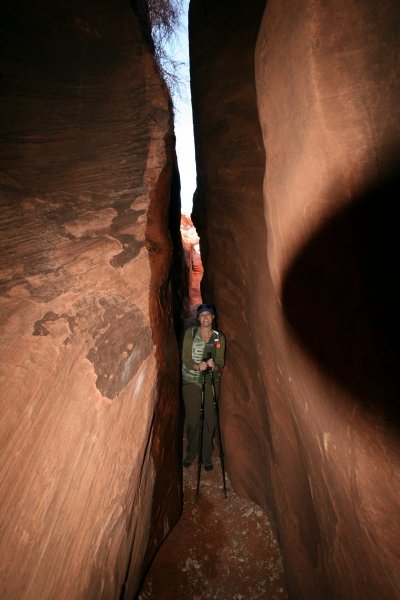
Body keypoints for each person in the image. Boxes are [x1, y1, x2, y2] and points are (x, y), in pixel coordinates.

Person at [181, 303, 226, 471]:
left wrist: (214, 366)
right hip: (192, 381)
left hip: (211, 382)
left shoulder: (218, 337)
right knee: (193, 419)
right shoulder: (190, 334)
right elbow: (185, 357)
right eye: (202, 315)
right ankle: (192, 451)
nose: (205, 318)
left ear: (213, 317)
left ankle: (206, 455)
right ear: (198, 318)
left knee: (210, 419)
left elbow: (221, 363)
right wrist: (196, 366)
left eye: (209, 315)